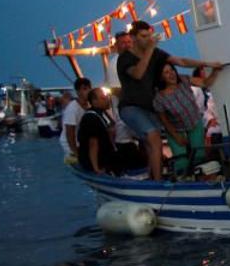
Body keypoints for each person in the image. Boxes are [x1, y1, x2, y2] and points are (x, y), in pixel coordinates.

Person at [117, 20, 222, 180]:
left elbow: (181, 61)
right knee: (154, 138)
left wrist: (206, 64)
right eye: (144, 36)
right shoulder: (125, 58)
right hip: (130, 107)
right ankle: (158, 182)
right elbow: (138, 74)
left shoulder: (156, 54)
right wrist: (151, 48)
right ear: (133, 37)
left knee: (153, 142)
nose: (148, 39)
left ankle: (154, 176)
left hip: (150, 107)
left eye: (149, 36)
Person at [152, 64, 216, 176]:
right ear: (161, 77)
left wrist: (215, 71)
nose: (171, 74)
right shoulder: (159, 98)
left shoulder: (184, 80)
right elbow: (164, 121)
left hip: (195, 124)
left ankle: (201, 183)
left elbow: (205, 82)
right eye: (166, 72)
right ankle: (184, 184)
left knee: (199, 158)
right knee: (182, 162)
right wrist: (176, 136)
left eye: (172, 70)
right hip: (175, 130)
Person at [76, 88, 121, 175]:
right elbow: (93, 143)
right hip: (99, 161)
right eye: (103, 98)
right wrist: (96, 168)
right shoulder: (91, 118)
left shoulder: (103, 114)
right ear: (94, 101)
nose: (107, 100)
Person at [59, 77, 91, 159]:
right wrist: (76, 152)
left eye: (88, 88)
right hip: (70, 144)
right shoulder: (72, 109)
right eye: (84, 89)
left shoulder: (89, 105)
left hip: (82, 141)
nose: (88, 91)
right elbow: (69, 133)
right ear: (78, 92)